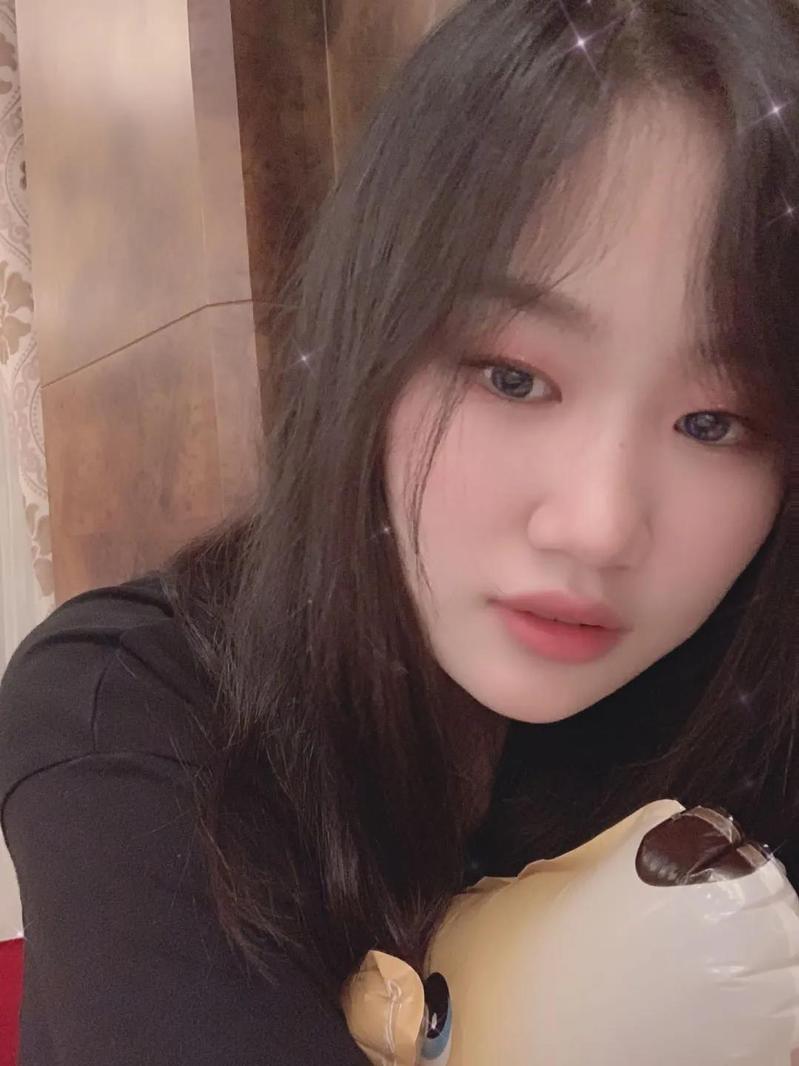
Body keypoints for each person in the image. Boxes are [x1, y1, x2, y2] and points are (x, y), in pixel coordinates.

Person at [1, 0, 797, 1061]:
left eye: (713, 422)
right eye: (511, 377)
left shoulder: (755, 721)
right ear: (366, 346)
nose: (597, 525)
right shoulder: (133, 708)